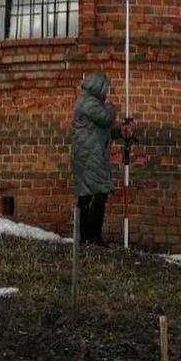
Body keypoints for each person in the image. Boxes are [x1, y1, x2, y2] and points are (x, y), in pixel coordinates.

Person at [70, 72, 135, 246]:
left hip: (92, 157)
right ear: (98, 87)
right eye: (105, 88)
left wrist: (121, 132)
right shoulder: (88, 102)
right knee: (96, 194)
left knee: (90, 195)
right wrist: (113, 107)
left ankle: (86, 237)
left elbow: (103, 129)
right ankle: (91, 236)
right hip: (89, 157)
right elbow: (106, 118)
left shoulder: (92, 103)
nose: (107, 92)